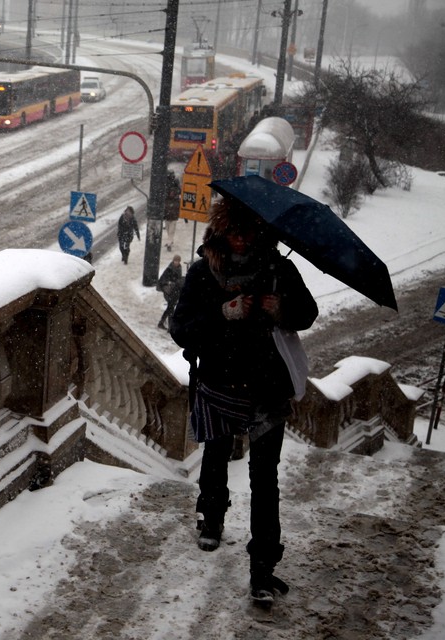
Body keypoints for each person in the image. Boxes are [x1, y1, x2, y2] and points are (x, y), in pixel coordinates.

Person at [168, 196, 318, 606]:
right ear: (220, 231)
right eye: (234, 231)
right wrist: (223, 313)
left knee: (264, 478)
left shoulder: (279, 270)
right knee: (215, 455)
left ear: (260, 232)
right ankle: (210, 519)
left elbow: (308, 313)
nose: (241, 239)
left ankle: (263, 567)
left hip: (267, 391)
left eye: (248, 231)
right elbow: (181, 329)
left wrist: (281, 307)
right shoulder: (204, 273)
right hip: (218, 384)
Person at [156, 254, 183, 330]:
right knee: (171, 308)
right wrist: (169, 282)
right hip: (168, 291)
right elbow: (162, 280)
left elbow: (179, 281)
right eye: (175, 261)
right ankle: (170, 327)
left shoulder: (179, 269)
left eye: (178, 261)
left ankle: (161, 323)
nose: (176, 262)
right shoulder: (169, 269)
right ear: (173, 261)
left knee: (169, 308)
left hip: (175, 292)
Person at [164, 172, 181, 252]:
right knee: (168, 230)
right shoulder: (166, 200)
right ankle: (170, 241)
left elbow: (178, 208)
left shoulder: (176, 200)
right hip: (167, 217)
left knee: (171, 231)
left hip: (173, 218)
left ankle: (169, 244)